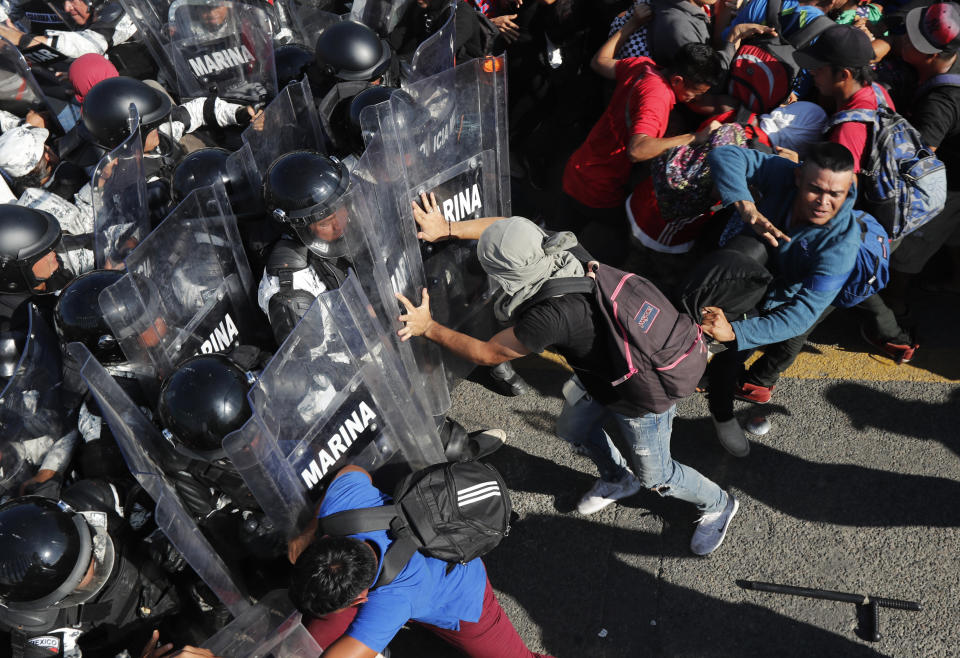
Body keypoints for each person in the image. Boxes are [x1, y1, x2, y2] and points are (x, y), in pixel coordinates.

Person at [395, 196, 739, 556]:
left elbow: (487, 353)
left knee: (656, 476)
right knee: (572, 430)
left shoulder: (546, 317)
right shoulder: (563, 247)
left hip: (640, 397)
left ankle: (718, 503)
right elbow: (510, 226)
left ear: (506, 277)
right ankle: (618, 478)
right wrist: (446, 230)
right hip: (606, 376)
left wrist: (428, 326)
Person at [287, 464, 553, 657]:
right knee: (320, 635)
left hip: (459, 596)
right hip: (413, 576)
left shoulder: (394, 599)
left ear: (360, 599)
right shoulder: (342, 507)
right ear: (324, 541)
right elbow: (353, 472)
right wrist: (310, 529)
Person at [699, 142, 861, 452]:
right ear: (798, 177)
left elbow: (801, 315)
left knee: (727, 358)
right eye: (815, 189)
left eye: (836, 195)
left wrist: (734, 333)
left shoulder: (841, 245)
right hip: (732, 276)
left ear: (848, 187)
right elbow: (723, 154)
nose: (823, 203)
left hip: (767, 303)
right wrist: (744, 203)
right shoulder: (783, 173)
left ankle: (722, 415)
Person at [558, 38, 725, 264]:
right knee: (612, 247)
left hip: (578, 167)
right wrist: (695, 137)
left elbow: (599, 62)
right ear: (677, 80)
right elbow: (637, 150)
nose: (696, 99)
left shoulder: (643, 66)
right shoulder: (657, 98)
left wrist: (631, 25)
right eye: (695, 93)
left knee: (556, 233)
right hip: (598, 189)